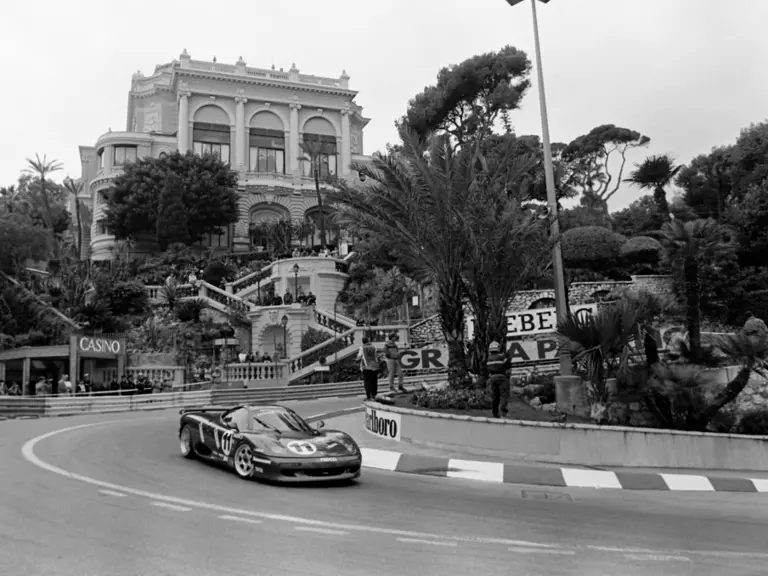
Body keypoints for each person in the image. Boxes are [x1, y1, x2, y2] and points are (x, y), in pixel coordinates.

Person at [487, 341, 511, 418]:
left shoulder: (489, 359)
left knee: (495, 396)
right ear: (498, 348)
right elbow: (507, 364)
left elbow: (487, 369)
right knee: (504, 395)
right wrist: (508, 356)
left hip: (492, 378)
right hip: (502, 377)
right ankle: (504, 411)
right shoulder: (501, 357)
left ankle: (495, 413)